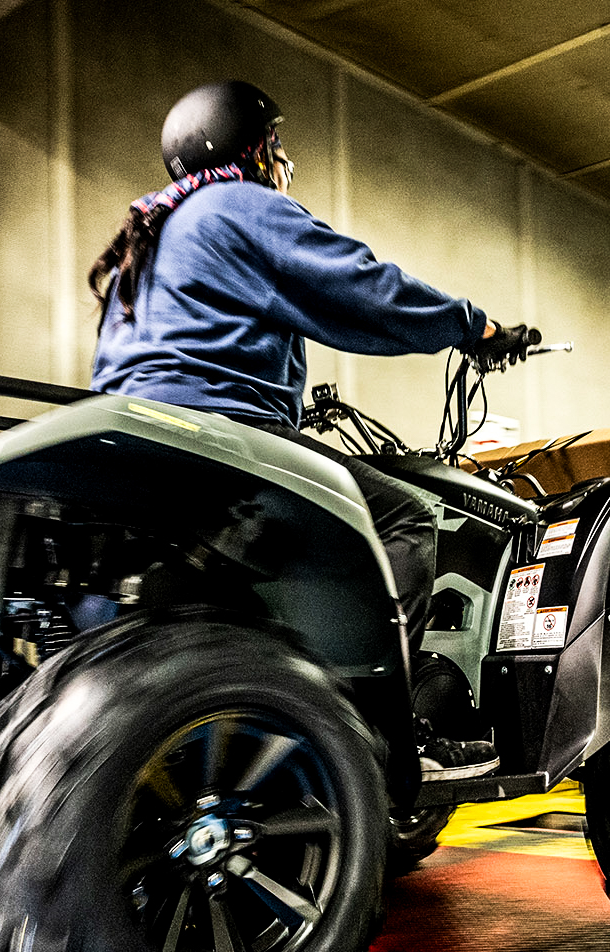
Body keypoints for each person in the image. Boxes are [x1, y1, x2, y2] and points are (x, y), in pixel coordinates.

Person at [90, 80, 511, 780]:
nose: (281, 160)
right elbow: (364, 290)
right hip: (221, 431)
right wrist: (476, 328)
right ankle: (383, 738)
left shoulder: (151, 233)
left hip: (139, 438)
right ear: (251, 151)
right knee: (405, 519)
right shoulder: (240, 206)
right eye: (275, 144)